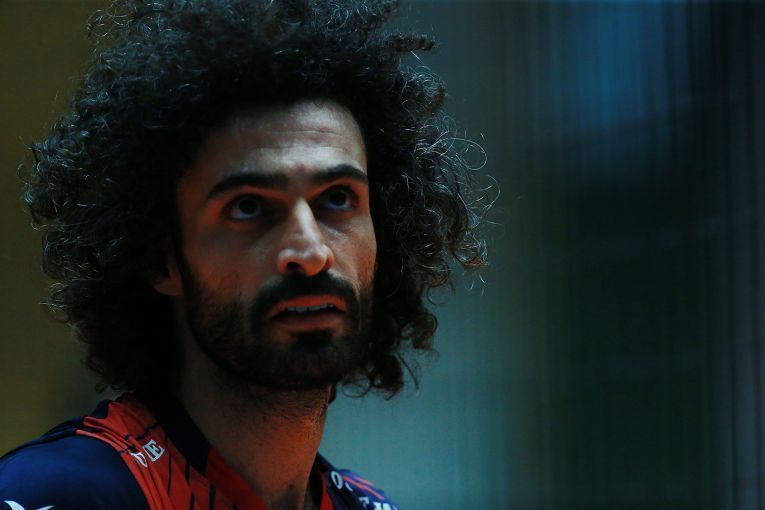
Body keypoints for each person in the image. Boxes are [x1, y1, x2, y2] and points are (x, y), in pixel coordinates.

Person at [0, 0, 488, 509]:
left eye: (338, 199)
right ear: (161, 258)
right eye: (249, 207)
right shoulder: (60, 496)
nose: (310, 251)